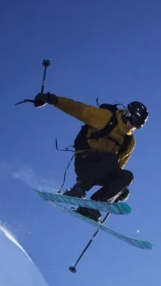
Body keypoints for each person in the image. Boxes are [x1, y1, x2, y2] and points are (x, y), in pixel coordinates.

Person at [33, 92, 148, 221]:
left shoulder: (129, 141)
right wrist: (52, 99)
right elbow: (79, 109)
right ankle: (78, 189)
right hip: (85, 161)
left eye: (136, 125)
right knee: (111, 159)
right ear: (127, 114)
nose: (132, 126)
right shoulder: (106, 118)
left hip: (103, 168)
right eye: (132, 121)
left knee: (127, 176)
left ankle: (92, 207)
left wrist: (119, 188)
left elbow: (118, 167)